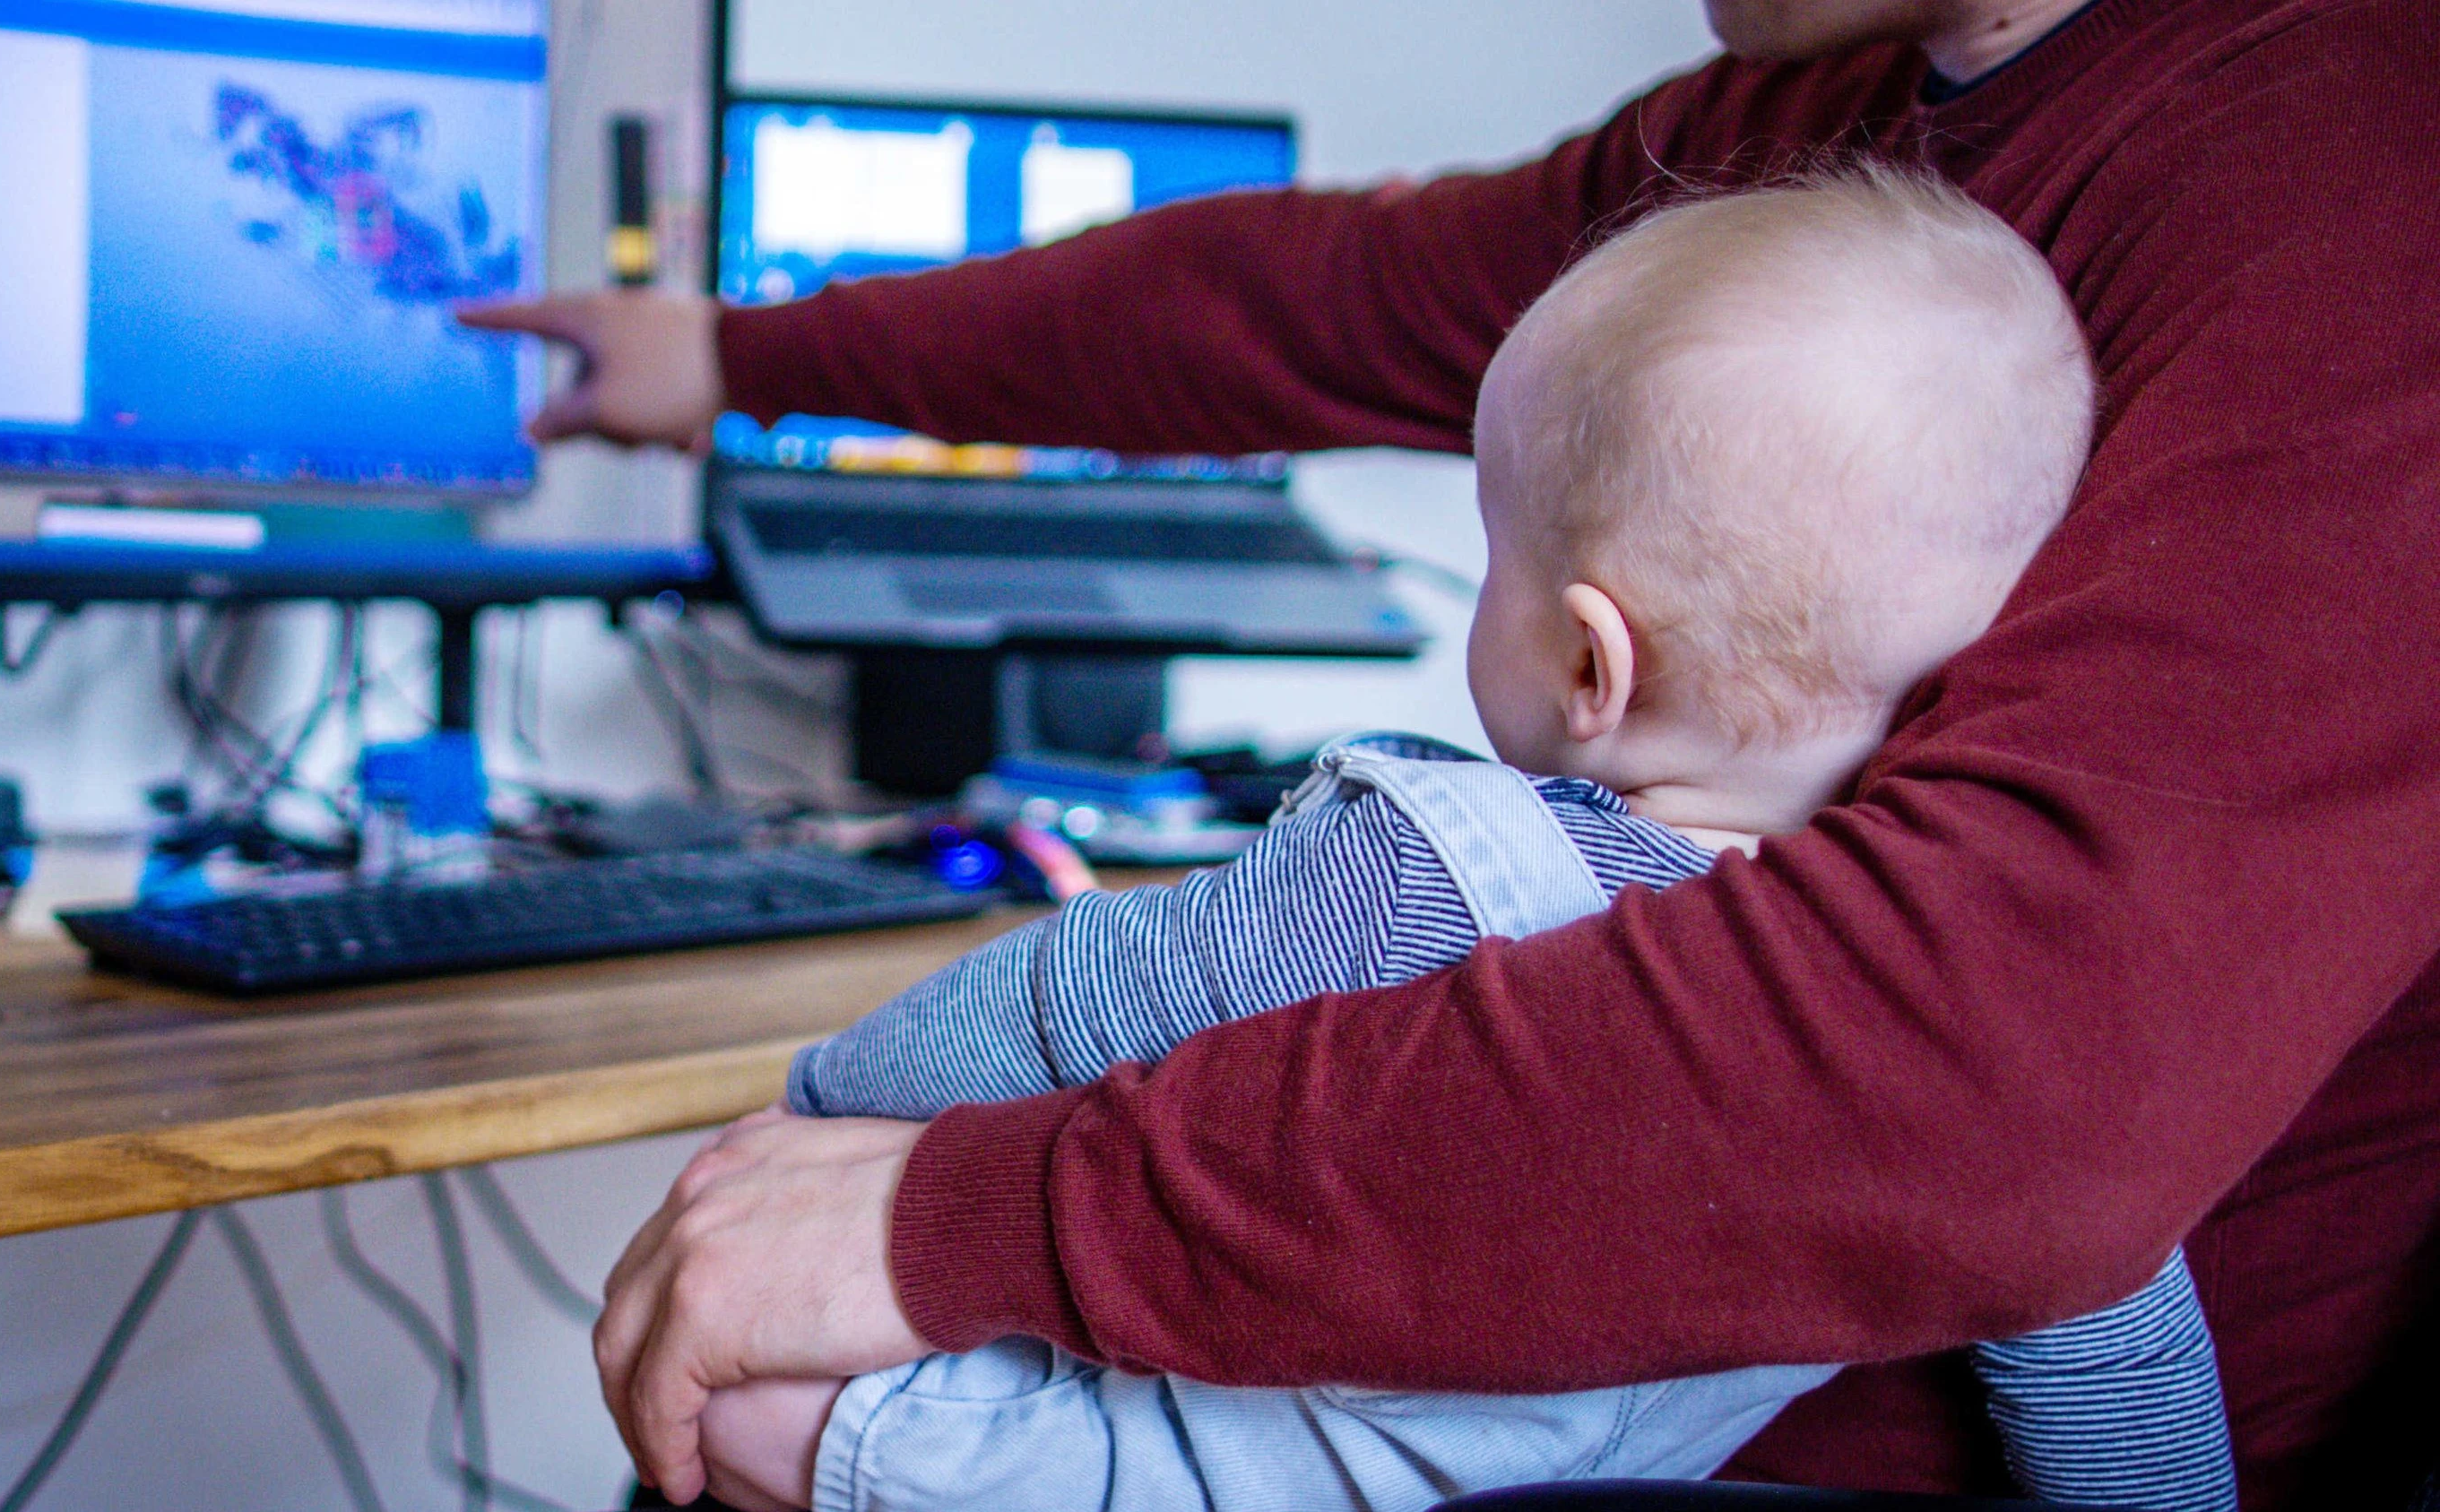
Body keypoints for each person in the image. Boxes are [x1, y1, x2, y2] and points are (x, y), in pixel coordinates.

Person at [468, 0, 2440, 1504]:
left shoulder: (2356, 163)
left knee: (766, 1426)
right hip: (1660, 1395)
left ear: (1585, 663)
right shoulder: (1817, 121)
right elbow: (1297, 305)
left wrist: (927, 1202)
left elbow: (2004, 1098)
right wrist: (742, 362)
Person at [687, 169, 2234, 1512]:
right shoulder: (1975, 1038)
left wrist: (828, 1107)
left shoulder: (1439, 869)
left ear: (1587, 666)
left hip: (1202, 1462)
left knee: (737, 1398)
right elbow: (2117, 1352)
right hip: (1575, 1489)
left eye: (1497, 549)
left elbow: (1072, 998)